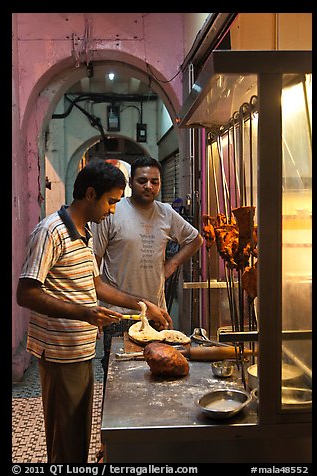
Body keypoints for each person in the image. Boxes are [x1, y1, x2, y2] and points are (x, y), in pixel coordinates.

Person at [16, 158, 172, 464]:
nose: (113, 209)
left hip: (81, 349)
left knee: (77, 435)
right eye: (111, 202)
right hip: (61, 352)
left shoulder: (83, 233)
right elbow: (27, 292)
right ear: (90, 194)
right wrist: (84, 313)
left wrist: (143, 304)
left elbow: (97, 285)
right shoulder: (52, 232)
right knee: (67, 441)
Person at [91, 156, 204, 382]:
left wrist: (172, 264)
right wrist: (93, 309)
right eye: (142, 181)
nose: (149, 186)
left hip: (156, 315)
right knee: (117, 382)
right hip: (118, 315)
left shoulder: (166, 213)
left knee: (155, 378)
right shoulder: (112, 211)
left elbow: (195, 239)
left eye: (155, 181)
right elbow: (92, 264)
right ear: (131, 182)